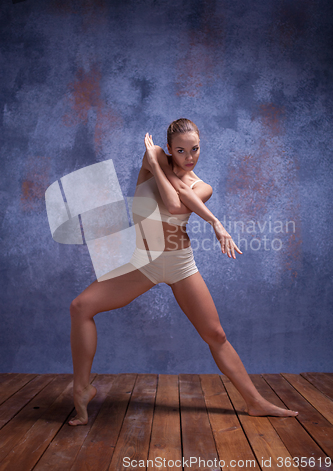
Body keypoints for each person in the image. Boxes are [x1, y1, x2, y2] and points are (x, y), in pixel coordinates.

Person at [69, 118, 298, 425]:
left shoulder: (203, 187)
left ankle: (255, 401)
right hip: (143, 263)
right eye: (181, 150)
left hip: (179, 264)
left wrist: (214, 220)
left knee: (215, 334)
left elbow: (177, 205)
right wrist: (153, 161)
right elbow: (173, 195)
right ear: (170, 149)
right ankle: (82, 389)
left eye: (195, 149)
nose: (189, 157)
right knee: (80, 307)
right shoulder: (154, 160)